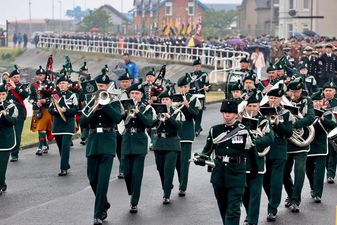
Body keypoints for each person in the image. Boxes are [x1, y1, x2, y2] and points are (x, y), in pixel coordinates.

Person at [194, 99, 257, 225]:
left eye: (230, 112)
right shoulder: (215, 130)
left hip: (237, 173)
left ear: (236, 115)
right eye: (225, 112)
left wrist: (253, 172)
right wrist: (200, 158)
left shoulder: (244, 131)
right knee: (223, 208)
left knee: (234, 210)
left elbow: (252, 153)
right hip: (219, 174)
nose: (227, 115)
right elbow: (207, 151)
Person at [80, 74, 123, 225]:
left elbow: (118, 118)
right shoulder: (90, 101)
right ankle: (104, 204)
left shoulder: (114, 100)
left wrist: (106, 103)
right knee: (93, 179)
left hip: (108, 142)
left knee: (103, 181)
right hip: (93, 142)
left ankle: (97, 214)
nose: (101, 88)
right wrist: (94, 107)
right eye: (99, 86)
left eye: (103, 86)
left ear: (108, 86)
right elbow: (83, 123)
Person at [261, 82, 293, 222]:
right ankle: (272, 200)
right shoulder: (262, 111)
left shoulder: (286, 113)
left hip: (279, 148)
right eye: (271, 98)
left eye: (275, 98)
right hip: (265, 150)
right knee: (265, 181)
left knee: (276, 182)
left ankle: (272, 210)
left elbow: (289, 133)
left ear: (280, 99)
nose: (272, 101)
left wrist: (278, 124)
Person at [242, 90, 274, 225]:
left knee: (255, 194)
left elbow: (270, 138)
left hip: (258, 161)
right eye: (249, 106)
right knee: (244, 193)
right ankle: (249, 214)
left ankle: (252, 221)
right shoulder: (240, 120)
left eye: (254, 106)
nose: (252, 108)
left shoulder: (264, 122)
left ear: (258, 107)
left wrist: (254, 144)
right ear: (246, 107)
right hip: (243, 162)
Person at [283, 77, 315, 213]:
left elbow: (310, 118)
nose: (294, 94)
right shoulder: (284, 100)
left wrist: (295, 124)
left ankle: (296, 200)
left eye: (297, 91)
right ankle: (291, 194)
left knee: (299, 171)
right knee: (284, 172)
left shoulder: (307, 101)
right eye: (291, 91)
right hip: (287, 142)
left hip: (301, 141)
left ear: (301, 90)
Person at [121, 83, 154, 213]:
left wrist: (138, 112)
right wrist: (125, 112)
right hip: (127, 140)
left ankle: (134, 202)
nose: (134, 95)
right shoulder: (125, 106)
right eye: (132, 93)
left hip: (140, 140)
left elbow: (149, 123)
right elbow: (119, 119)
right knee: (127, 172)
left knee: (137, 174)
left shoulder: (147, 108)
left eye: (137, 93)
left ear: (141, 95)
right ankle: (132, 190)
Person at [152, 90, 184, 204]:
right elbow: (150, 124)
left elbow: (179, 126)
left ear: (171, 101)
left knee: (168, 169)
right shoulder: (157, 112)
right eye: (163, 100)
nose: (165, 102)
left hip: (172, 143)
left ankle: (166, 195)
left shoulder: (177, 112)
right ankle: (167, 185)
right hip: (159, 143)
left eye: (167, 100)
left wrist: (169, 117)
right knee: (160, 168)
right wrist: (158, 118)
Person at [306, 90, 336, 203]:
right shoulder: (307, 113)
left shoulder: (327, 113)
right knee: (308, 169)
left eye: (319, 101)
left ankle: (318, 193)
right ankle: (313, 188)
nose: (317, 103)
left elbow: (333, 125)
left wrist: (323, 118)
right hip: (308, 144)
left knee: (319, 171)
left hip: (322, 145)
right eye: (315, 101)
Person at [48, 75, 78, 176]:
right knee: (61, 147)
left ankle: (63, 168)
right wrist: (55, 110)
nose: (62, 85)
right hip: (57, 124)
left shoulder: (72, 95)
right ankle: (65, 164)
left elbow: (75, 109)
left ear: (68, 85)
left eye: (64, 83)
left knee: (65, 146)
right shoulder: (54, 96)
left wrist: (66, 110)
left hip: (68, 123)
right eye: (60, 83)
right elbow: (50, 109)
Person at [175, 74, 200, 197]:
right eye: (181, 87)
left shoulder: (193, 98)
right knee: (176, 162)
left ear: (188, 87)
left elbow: (196, 115)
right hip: (174, 133)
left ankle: (182, 186)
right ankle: (180, 181)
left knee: (184, 161)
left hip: (186, 133)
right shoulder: (173, 98)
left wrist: (188, 106)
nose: (183, 89)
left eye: (185, 86)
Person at [29, 66, 53, 155]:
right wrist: (36, 102)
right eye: (39, 75)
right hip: (37, 109)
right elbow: (30, 98)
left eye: (42, 75)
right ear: (36, 76)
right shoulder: (33, 85)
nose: (41, 76)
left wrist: (45, 100)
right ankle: (45, 145)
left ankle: (40, 146)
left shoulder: (50, 84)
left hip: (47, 109)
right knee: (41, 129)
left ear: (45, 75)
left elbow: (54, 97)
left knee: (41, 127)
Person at [7, 65, 29, 162]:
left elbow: (25, 95)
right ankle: (7, 150)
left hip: (19, 111)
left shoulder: (22, 86)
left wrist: (15, 87)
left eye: (17, 77)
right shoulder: (5, 87)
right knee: (7, 132)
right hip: (8, 111)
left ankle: (14, 154)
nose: (16, 78)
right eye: (14, 77)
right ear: (10, 78)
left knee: (17, 133)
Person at [0, 84, 18, 195]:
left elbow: (14, 121)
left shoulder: (11, 106)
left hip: (6, 139)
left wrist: (5, 115)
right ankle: (2, 183)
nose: (1, 96)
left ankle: (0, 184)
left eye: (3, 94)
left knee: (2, 165)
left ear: (6, 94)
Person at [115, 70, 133, 179]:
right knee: (118, 147)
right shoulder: (116, 93)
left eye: (126, 81)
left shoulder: (135, 92)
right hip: (118, 122)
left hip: (130, 122)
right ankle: (123, 166)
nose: (125, 84)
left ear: (130, 81)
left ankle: (123, 169)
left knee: (125, 147)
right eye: (122, 82)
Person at [189, 57, 209, 136]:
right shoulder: (190, 75)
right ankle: (198, 127)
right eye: (196, 65)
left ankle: (196, 129)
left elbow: (208, 86)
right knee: (193, 113)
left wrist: (207, 88)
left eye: (199, 65)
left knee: (199, 113)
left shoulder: (204, 75)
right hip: (192, 97)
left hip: (201, 96)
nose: (197, 67)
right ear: (193, 67)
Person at [322, 81, 337, 183]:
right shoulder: (320, 102)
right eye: (326, 90)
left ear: (335, 92)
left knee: (332, 153)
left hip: (334, 131)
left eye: (330, 90)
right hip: (322, 131)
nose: (328, 92)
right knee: (326, 154)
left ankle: (330, 174)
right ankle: (329, 171)